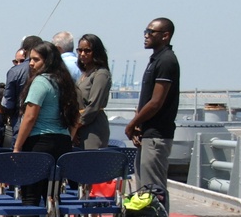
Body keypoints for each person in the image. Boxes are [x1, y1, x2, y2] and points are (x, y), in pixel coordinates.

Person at [10, 41, 80, 217]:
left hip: (39, 141)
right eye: (30, 59)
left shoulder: (40, 82)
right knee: (53, 197)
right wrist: (67, 136)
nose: (31, 63)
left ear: (47, 61)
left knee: (31, 196)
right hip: (61, 142)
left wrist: (18, 146)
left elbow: (30, 116)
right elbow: (76, 116)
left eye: (35, 59)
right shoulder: (65, 82)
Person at [125, 18, 180, 206]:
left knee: (154, 190)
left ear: (165, 36)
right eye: (145, 31)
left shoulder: (166, 60)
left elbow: (156, 102)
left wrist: (132, 124)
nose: (146, 36)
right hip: (148, 133)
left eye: (151, 32)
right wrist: (139, 125)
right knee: (143, 188)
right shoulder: (155, 59)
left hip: (157, 135)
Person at [2, 35, 43, 147]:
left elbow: (7, 102)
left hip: (19, 123)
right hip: (43, 128)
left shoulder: (15, 71)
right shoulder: (48, 70)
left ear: (24, 51)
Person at [74, 33, 112, 149]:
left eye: (87, 51)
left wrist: (75, 126)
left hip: (93, 127)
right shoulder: (84, 74)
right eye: (80, 50)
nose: (82, 54)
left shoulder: (101, 74)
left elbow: (94, 106)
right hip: (79, 126)